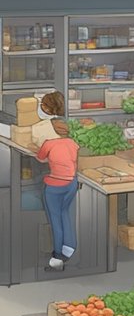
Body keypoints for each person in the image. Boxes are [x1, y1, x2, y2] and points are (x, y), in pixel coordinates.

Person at [35, 92, 78, 271]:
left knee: (55, 220)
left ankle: (57, 258)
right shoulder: (72, 142)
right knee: (65, 214)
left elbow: (41, 158)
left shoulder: (48, 142)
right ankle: (70, 248)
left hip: (55, 186)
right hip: (71, 184)